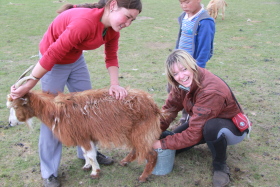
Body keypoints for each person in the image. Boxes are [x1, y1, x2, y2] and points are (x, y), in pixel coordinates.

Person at [10, 0, 142, 186]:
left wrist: (114, 84)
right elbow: (52, 54)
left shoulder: (112, 28)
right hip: (51, 62)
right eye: (127, 17)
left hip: (75, 59)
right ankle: (49, 171)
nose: (127, 23)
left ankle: (87, 152)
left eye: (132, 20)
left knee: (88, 109)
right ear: (113, 5)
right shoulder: (85, 22)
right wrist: (29, 84)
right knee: (52, 116)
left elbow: (111, 55)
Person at [153, 50, 251, 187]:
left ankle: (220, 166)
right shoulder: (180, 84)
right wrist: (153, 132)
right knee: (173, 143)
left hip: (232, 128)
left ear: (192, 65)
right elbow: (169, 109)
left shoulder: (210, 90)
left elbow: (193, 133)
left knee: (210, 128)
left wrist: (160, 144)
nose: (181, 76)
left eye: (184, 69)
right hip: (203, 119)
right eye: (175, 73)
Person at [170, 0, 216, 125]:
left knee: (190, 92)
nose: (183, 5)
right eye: (181, 2)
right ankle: (173, 115)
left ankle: (189, 118)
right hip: (180, 63)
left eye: (187, 1)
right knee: (176, 88)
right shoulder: (184, 17)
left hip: (192, 67)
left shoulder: (205, 21)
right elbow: (181, 40)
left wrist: (198, 69)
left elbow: (205, 48)